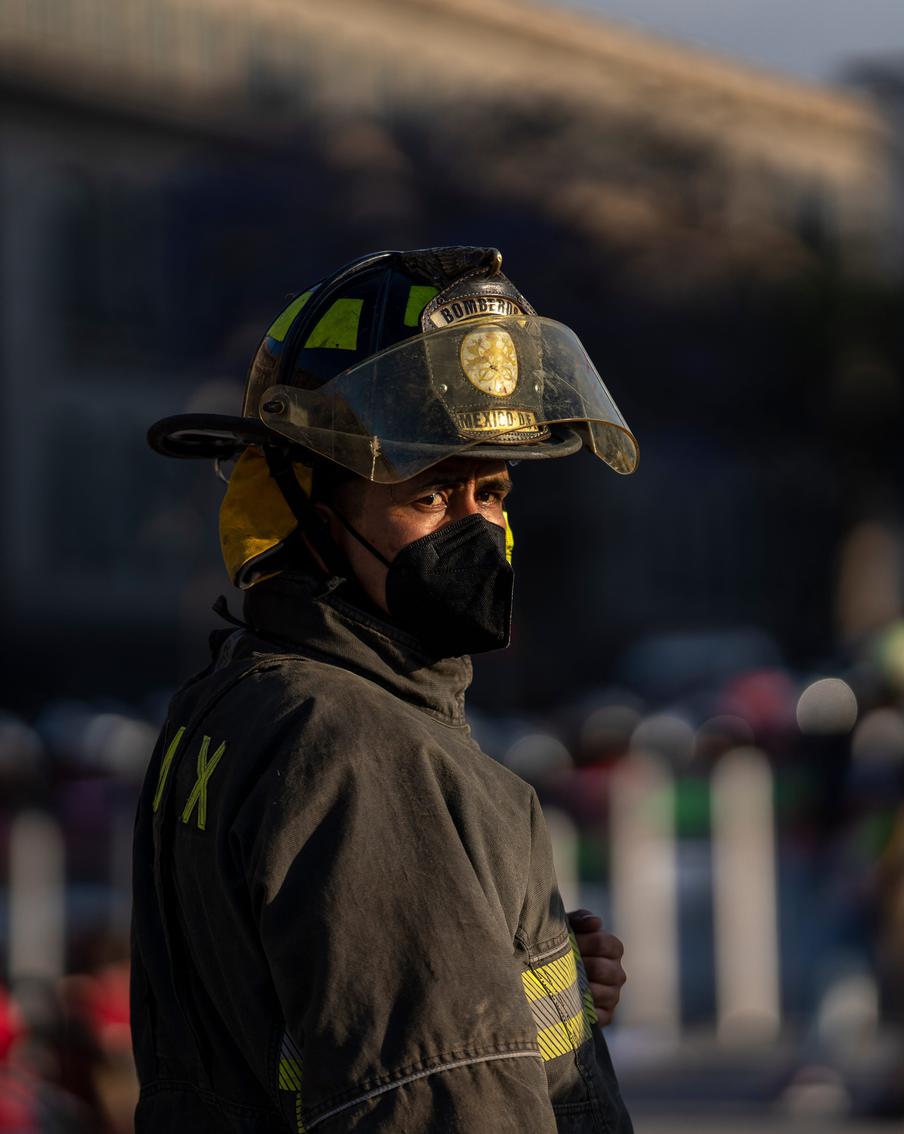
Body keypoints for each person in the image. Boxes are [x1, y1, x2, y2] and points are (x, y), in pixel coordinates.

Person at [132, 246, 638, 1132]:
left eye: (492, 492)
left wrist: (526, 978)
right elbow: (435, 1097)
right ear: (309, 506)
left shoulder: (238, 703)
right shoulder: (363, 750)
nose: (478, 529)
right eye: (433, 495)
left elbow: (312, 1021)